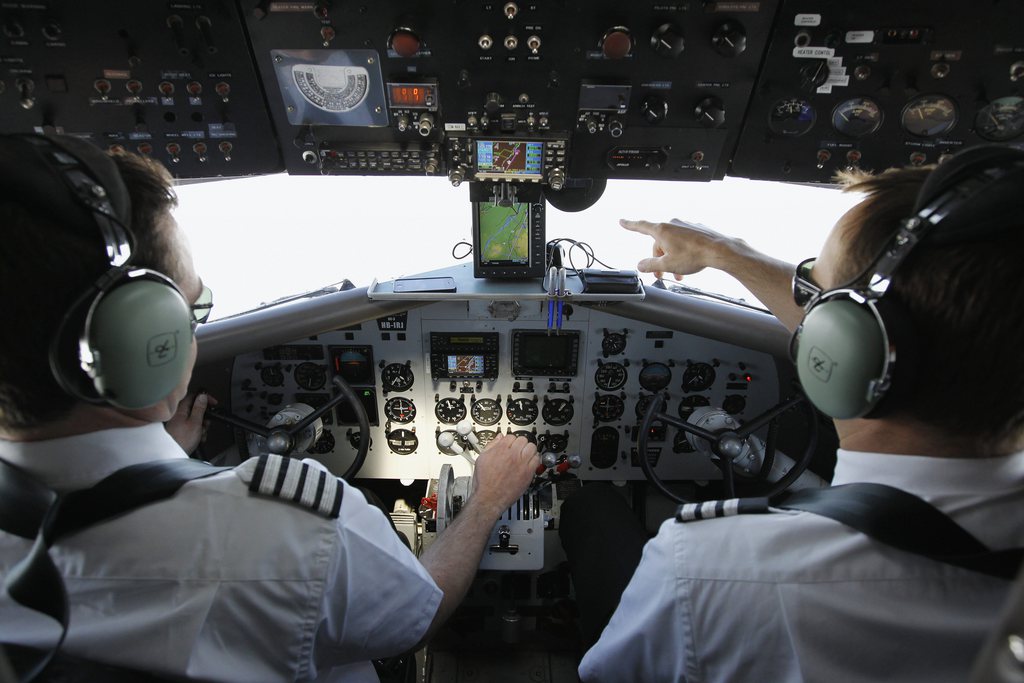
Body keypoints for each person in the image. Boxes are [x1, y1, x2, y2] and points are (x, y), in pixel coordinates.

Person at [0, 134, 540, 682]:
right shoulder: (292, 529)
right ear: (146, 338)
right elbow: (416, 619)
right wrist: (488, 497)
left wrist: (165, 457)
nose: (197, 329)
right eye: (193, 308)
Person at [562, 147, 1024, 682]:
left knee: (592, 504)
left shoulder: (705, 571)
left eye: (815, 291)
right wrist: (726, 254)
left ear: (845, 348)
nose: (808, 315)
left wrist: (730, 253)